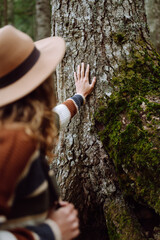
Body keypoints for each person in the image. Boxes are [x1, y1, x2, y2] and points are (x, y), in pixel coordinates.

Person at [0, 25, 96, 240]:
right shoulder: (12, 144)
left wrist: (78, 97)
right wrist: (51, 231)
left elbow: (50, 121)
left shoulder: (20, 126)